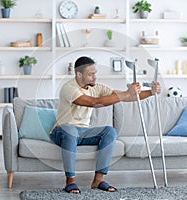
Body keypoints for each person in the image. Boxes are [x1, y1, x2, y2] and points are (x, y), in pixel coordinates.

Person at [50, 56, 161, 194]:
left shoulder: (97, 87)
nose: (94, 77)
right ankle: (70, 181)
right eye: (90, 74)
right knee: (71, 131)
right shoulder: (69, 88)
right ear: (79, 74)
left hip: (83, 132)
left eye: (95, 73)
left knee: (109, 131)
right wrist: (127, 93)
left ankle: (98, 180)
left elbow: (126, 97)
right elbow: (92, 102)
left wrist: (151, 92)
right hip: (62, 131)